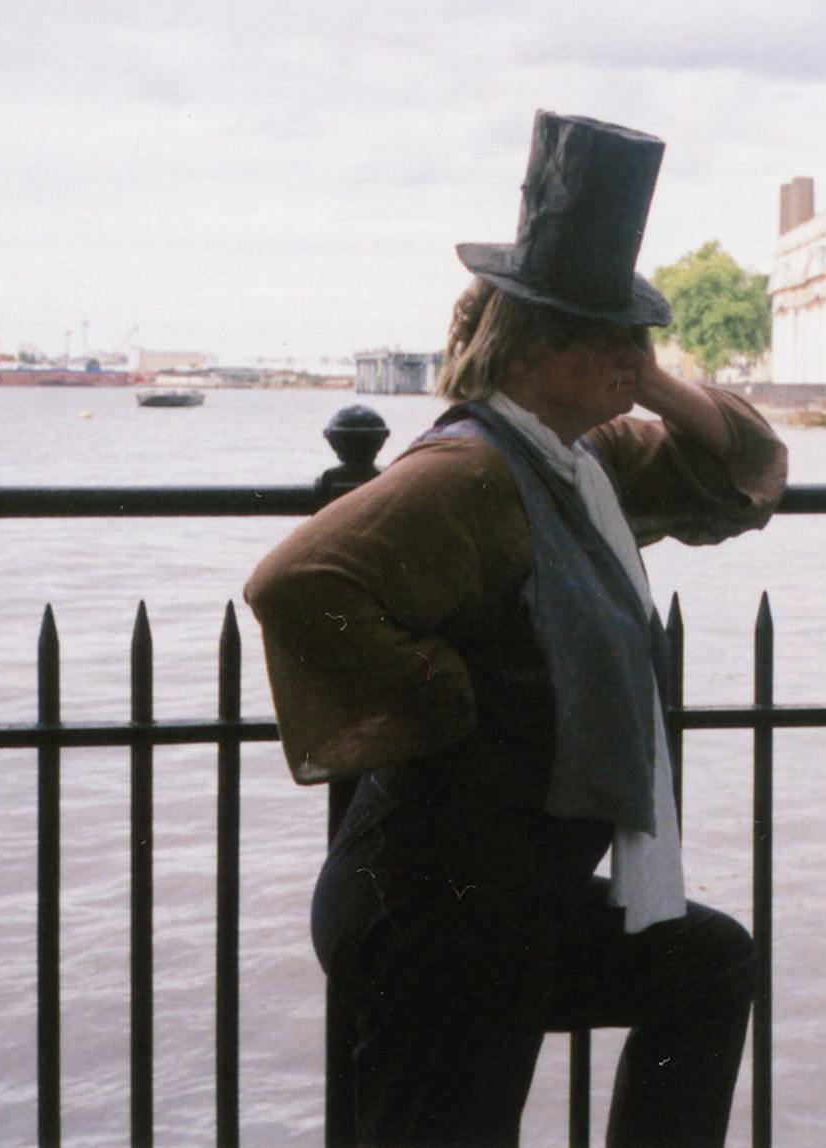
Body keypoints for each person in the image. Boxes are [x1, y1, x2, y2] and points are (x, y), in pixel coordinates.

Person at [247, 112, 787, 1147]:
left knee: (708, 969)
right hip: (432, 915)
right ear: (546, 350)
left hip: (507, 901)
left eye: (641, 339)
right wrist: (455, 698)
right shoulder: (475, 469)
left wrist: (657, 377)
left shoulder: (577, 464)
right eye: (616, 339)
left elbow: (740, 476)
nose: (636, 361)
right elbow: (298, 583)